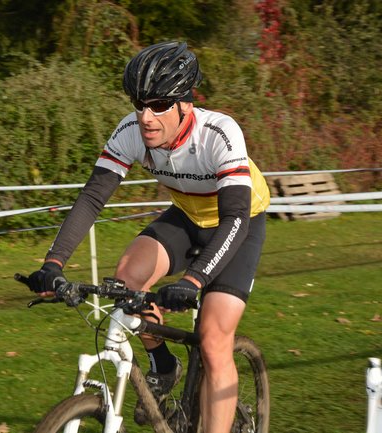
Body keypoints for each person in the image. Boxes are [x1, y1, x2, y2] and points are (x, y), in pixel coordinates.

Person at [26, 40, 270, 433]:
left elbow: (236, 218)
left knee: (213, 340)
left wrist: (193, 281)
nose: (146, 117)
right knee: (126, 279)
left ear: (185, 104)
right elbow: (92, 198)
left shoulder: (219, 134)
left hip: (238, 223)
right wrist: (53, 264)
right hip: (188, 216)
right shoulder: (130, 132)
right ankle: (163, 363)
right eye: (139, 104)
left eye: (159, 105)